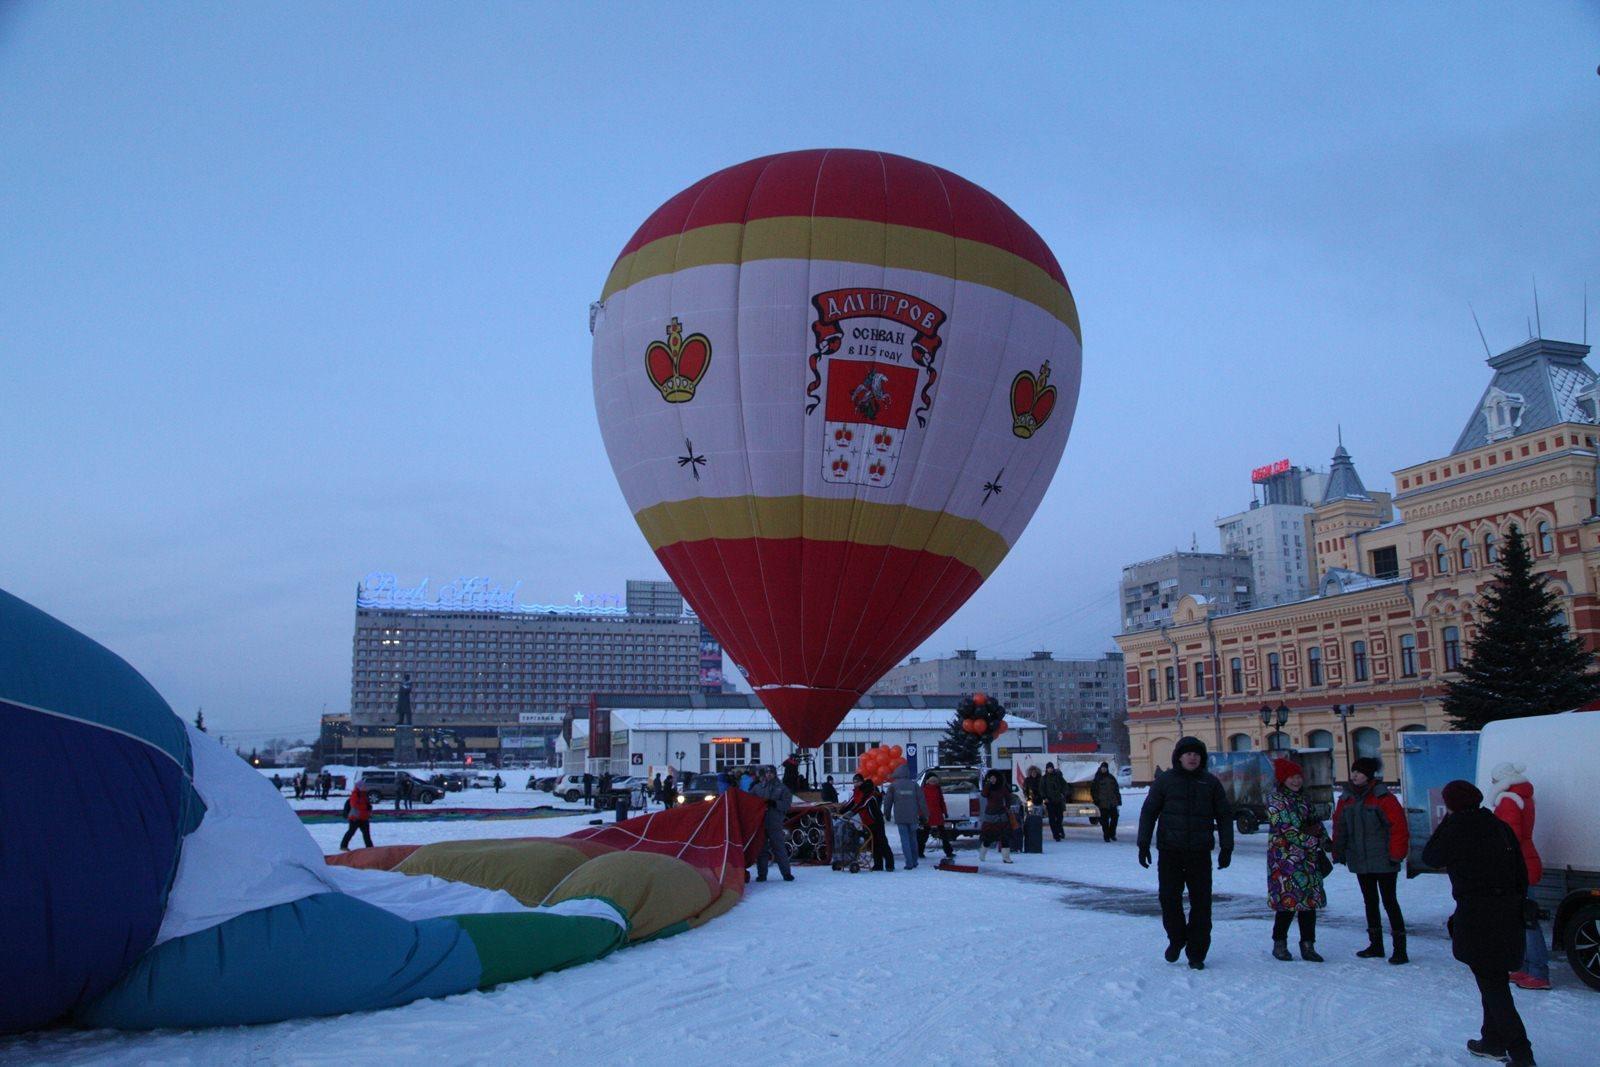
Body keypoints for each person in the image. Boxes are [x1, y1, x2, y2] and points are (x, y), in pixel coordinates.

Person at [1423, 780, 1536, 1067]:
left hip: (1478, 914)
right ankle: (1492, 1041)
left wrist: (1448, 820)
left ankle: (1522, 1054)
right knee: (1493, 979)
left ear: (1451, 805)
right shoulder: (1498, 825)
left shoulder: (1457, 827)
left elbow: (1430, 856)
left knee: (1493, 985)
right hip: (1507, 911)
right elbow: (1520, 873)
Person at [1137, 736, 1232, 970]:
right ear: (1179, 757)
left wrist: (1227, 847)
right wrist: (1143, 844)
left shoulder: (1210, 783)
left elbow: (1224, 815)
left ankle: (1197, 952)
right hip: (1170, 852)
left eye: (1196, 754)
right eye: (1188, 753)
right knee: (1169, 899)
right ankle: (1177, 938)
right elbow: (1149, 812)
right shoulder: (1165, 781)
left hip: (1199, 854)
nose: (1192, 757)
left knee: (1201, 904)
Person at [1332, 756, 1409, 964]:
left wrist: (1396, 854)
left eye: (1359, 772)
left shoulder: (1383, 797)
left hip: (1384, 860)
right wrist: (1337, 850)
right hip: (1360, 860)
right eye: (1353, 771)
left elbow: (1398, 827)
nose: (1354, 775)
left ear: (1369, 775)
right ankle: (1375, 944)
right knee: (1370, 902)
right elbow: (1340, 826)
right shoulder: (1346, 798)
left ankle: (1400, 949)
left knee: (1389, 902)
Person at [1488, 762, 1549, 991]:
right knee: (1523, 918)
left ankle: (1537, 972)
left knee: (1526, 920)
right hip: (1525, 859)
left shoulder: (1509, 800)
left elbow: (1508, 838)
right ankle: (1525, 968)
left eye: (1494, 779)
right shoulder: (1523, 797)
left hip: (1516, 865)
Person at [1265, 758, 1328, 962]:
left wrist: (1328, 842)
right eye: (1291, 777)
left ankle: (1308, 945)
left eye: (1299, 776)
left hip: (1307, 860)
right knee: (1288, 904)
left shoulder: (1304, 799)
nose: (1296, 780)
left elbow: (1316, 823)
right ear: (1283, 779)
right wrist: (1312, 840)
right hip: (1285, 861)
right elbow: (1287, 831)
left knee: (1308, 904)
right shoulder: (1276, 801)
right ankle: (1279, 943)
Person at [748, 766, 795, 881]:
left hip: (774, 823)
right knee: (761, 850)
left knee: (779, 848)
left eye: (771, 773)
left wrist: (775, 804)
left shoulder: (782, 788)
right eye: (767, 773)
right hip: (761, 823)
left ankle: (786, 873)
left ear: (775, 774)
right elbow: (748, 801)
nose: (769, 775)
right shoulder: (757, 788)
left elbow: (787, 805)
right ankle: (762, 874)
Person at [883, 762, 930, 870]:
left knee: (904, 839)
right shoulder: (914, 785)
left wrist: (887, 813)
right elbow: (922, 801)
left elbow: (887, 802)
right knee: (913, 839)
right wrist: (925, 814)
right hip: (913, 816)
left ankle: (909, 863)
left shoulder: (893, 786)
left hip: (900, 817)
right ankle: (914, 861)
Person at [842, 774, 894, 871]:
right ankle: (878, 865)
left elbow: (863, 803)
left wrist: (852, 813)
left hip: (876, 820)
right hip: (867, 821)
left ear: (862, 781)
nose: (856, 784)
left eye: (857, 781)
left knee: (882, 842)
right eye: (854, 782)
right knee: (873, 844)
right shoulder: (857, 792)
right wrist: (840, 811)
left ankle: (890, 864)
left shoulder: (868, 791)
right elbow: (851, 803)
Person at [978, 769, 1013, 864]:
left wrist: (1007, 807)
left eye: (994, 778)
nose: (993, 779)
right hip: (990, 815)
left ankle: (1006, 857)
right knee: (988, 837)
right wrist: (988, 785)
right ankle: (982, 854)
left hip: (1001, 814)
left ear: (998, 778)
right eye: (991, 778)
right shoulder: (988, 787)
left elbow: (1008, 797)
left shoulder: (1002, 787)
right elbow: (984, 794)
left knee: (1005, 836)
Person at [918, 771, 954, 862]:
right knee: (924, 835)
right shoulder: (923, 790)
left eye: (935, 781)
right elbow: (920, 803)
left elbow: (941, 801)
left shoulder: (938, 789)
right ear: (928, 781)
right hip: (928, 815)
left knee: (943, 835)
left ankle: (949, 852)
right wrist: (920, 814)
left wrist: (945, 812)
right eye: (932, 781)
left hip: (937, 814)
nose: (933, 783)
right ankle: (920, 851)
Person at [1091, 761, 1122, 843]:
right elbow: (1093, 791)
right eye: (1102, 768)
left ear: (1107, 769)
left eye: (1105, 768)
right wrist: (1096, 800)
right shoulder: (1097, 779)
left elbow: (1116, 789)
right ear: (1100, 768)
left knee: (1115, 818)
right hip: (1102, 803)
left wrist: (1118, 800)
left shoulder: (1111, 778)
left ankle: (1112, 834)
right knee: (1104, 821)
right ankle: (1106, 836)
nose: (1103, 769)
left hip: (1112, 802)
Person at [340, 779, 374, 850]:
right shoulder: (355, 795)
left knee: (366, 834)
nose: (365, 787)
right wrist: (365, 807)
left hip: (364, 817)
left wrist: (368, 808)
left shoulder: (363, 794)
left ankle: (370, 847)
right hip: (355, 818)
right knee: (351, 832)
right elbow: (354, 805)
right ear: (360, 787)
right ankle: (343, 846)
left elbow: (365, 804)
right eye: (364, 786)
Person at [1042, 762, 1069, 842]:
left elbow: (1065, 785)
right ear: (1046, 769)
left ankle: (1059, 831)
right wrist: (1045, 797)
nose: (1050, 769)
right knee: (1052, 819)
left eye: (1051, 768)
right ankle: (1056, 834)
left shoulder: (1058, 777)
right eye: (1048, 768)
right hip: (1050, 801)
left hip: (1058, 801)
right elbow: (1042, 789)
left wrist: (1063, 793)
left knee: (1060, 818)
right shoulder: (1044, 778)